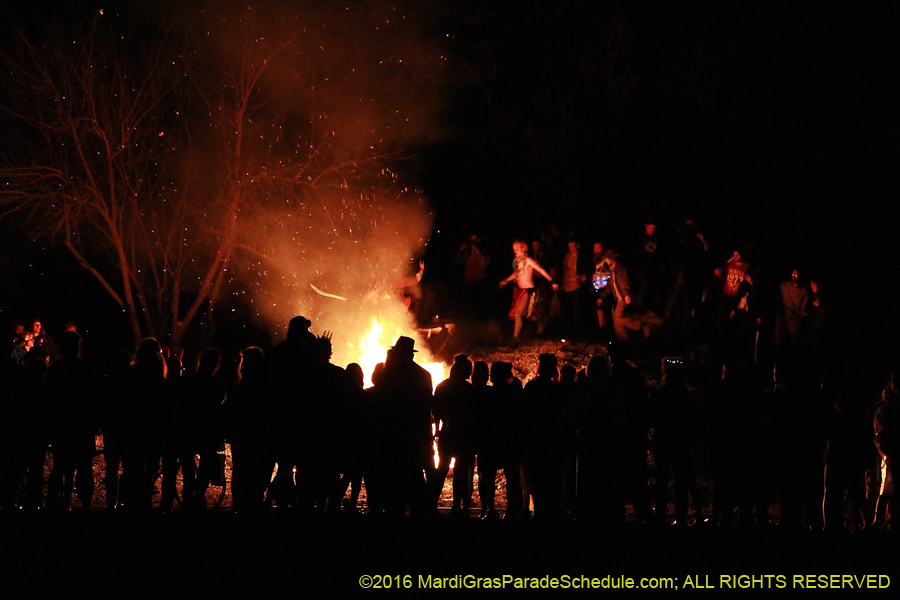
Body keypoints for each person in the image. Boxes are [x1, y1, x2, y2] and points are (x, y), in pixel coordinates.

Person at [499, 239, 557, 339]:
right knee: (518, 314)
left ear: (524, 249)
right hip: (519, 291)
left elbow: (541, 270)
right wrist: (506, 280)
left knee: (519, 314)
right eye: (514, 248)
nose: (515, 250)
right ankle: (539, 324)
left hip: (528, 291)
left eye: (518, 248)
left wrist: (552, 281)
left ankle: (515, 337)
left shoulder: (529, 260)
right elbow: (517, 274)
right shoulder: (519, 262)